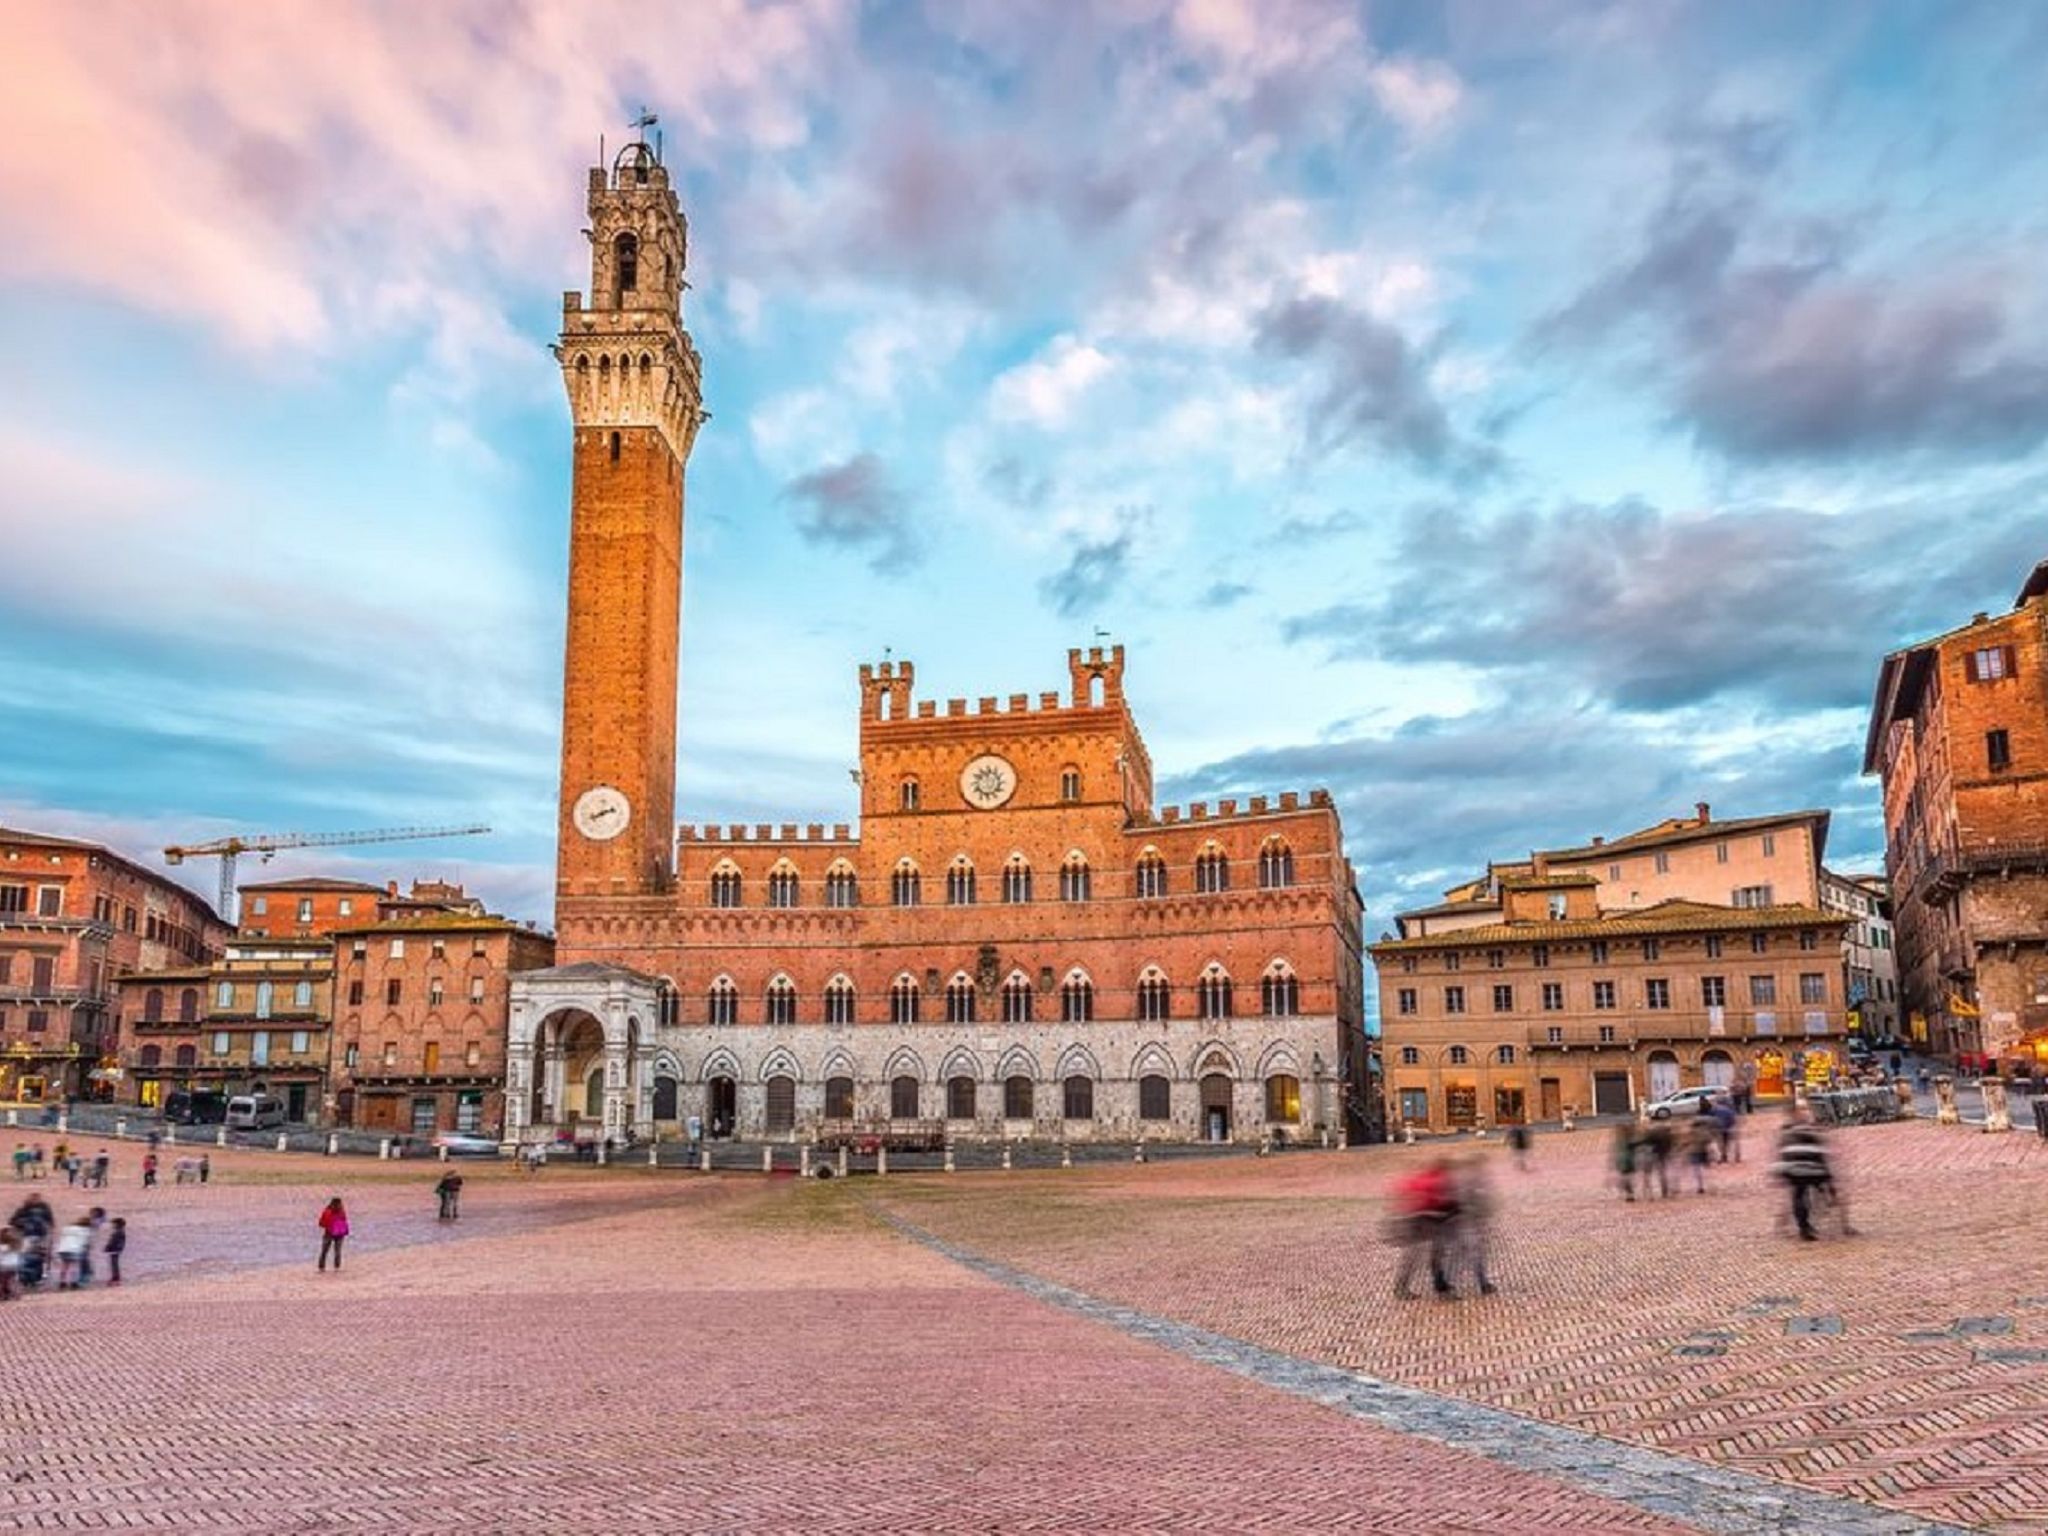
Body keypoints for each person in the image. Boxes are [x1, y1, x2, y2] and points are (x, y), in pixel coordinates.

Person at [1390, 1159, 1458, 1298]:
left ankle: (1436, 1284)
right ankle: (1438, 1286)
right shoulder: (1436, 1181)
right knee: (1431, 1254)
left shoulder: (1421, 1179)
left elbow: (1403, 1195)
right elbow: (1439, 1201)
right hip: (1427, 1221)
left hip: (1416, 1220)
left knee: (1420, 1255)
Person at [1774, 1109, 1832, 1241]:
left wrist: (1781, 1170)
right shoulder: (1812, 1131)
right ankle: (1817, 1213)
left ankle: (1803, 1227)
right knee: (1816, 1191)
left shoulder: (1786, 1133)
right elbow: (1821, 1154)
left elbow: (1782, 1153)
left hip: (1793, 1170)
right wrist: (1828, 1177)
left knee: (1798, 1196)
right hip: (1813, 1169)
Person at [1451, 1157, 1497, 1295]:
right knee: (1471, 1255)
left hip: (1463, 1224)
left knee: (1465, 1256)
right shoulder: (1468, 1184)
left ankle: (1482, 1283)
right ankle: (1482, 1284)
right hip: (1466, 1224)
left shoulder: (1462, 1181)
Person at [54, 1213, 92, 1289]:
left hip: (63, 1248)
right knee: (74, 1266)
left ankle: (62, 1282)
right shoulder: (86, 1230)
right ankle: (73, 1282)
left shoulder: (67, 1228)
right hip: (75, 1249)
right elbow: (85, 1242)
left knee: (64, 1266)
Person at [1685, 1111, 1717, 1193]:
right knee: (1704, 1168)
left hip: (1693, 1152)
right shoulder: (1705, 1132)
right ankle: (1707, 1184)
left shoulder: (1689, 1132)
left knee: (1696, 1169)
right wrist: (1713, 1154)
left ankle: (1699, 1185)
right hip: (1703, 1151)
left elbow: (1685, 1142)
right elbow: (1710, 1143)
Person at [316, 1197, 349, 1272]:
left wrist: (328, 1226)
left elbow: (321, 1223)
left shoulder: (327, 1211)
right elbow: (344, 1221)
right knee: (337, 1251)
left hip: (329, 1233)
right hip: (339, 1234)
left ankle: (322, 1267)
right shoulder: (341, 1211)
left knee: (324, 1251)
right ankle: (337, 1267)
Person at [1611, 1122, 1637, 1201]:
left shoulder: (1623, 1140)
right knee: (1626, 1178)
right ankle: (1629, 1193)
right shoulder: (1628, 1139)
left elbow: (1617, 1151)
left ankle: (1629, 1194)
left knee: (1625, 1178)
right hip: (1627, 1162)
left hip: (1626, 1162)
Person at [104, 1217, 127, 1286]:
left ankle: (115, 1278)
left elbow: (113, 1241)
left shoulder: (118, 1232)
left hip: (114, 1250)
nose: (112, 1225)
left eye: (113, 1224)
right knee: (114, 1263)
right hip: (116, 1250)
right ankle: (115, 1277)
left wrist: (108, 1247)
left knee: (114, 1264)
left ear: (117, 1224)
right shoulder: (120, 1231)